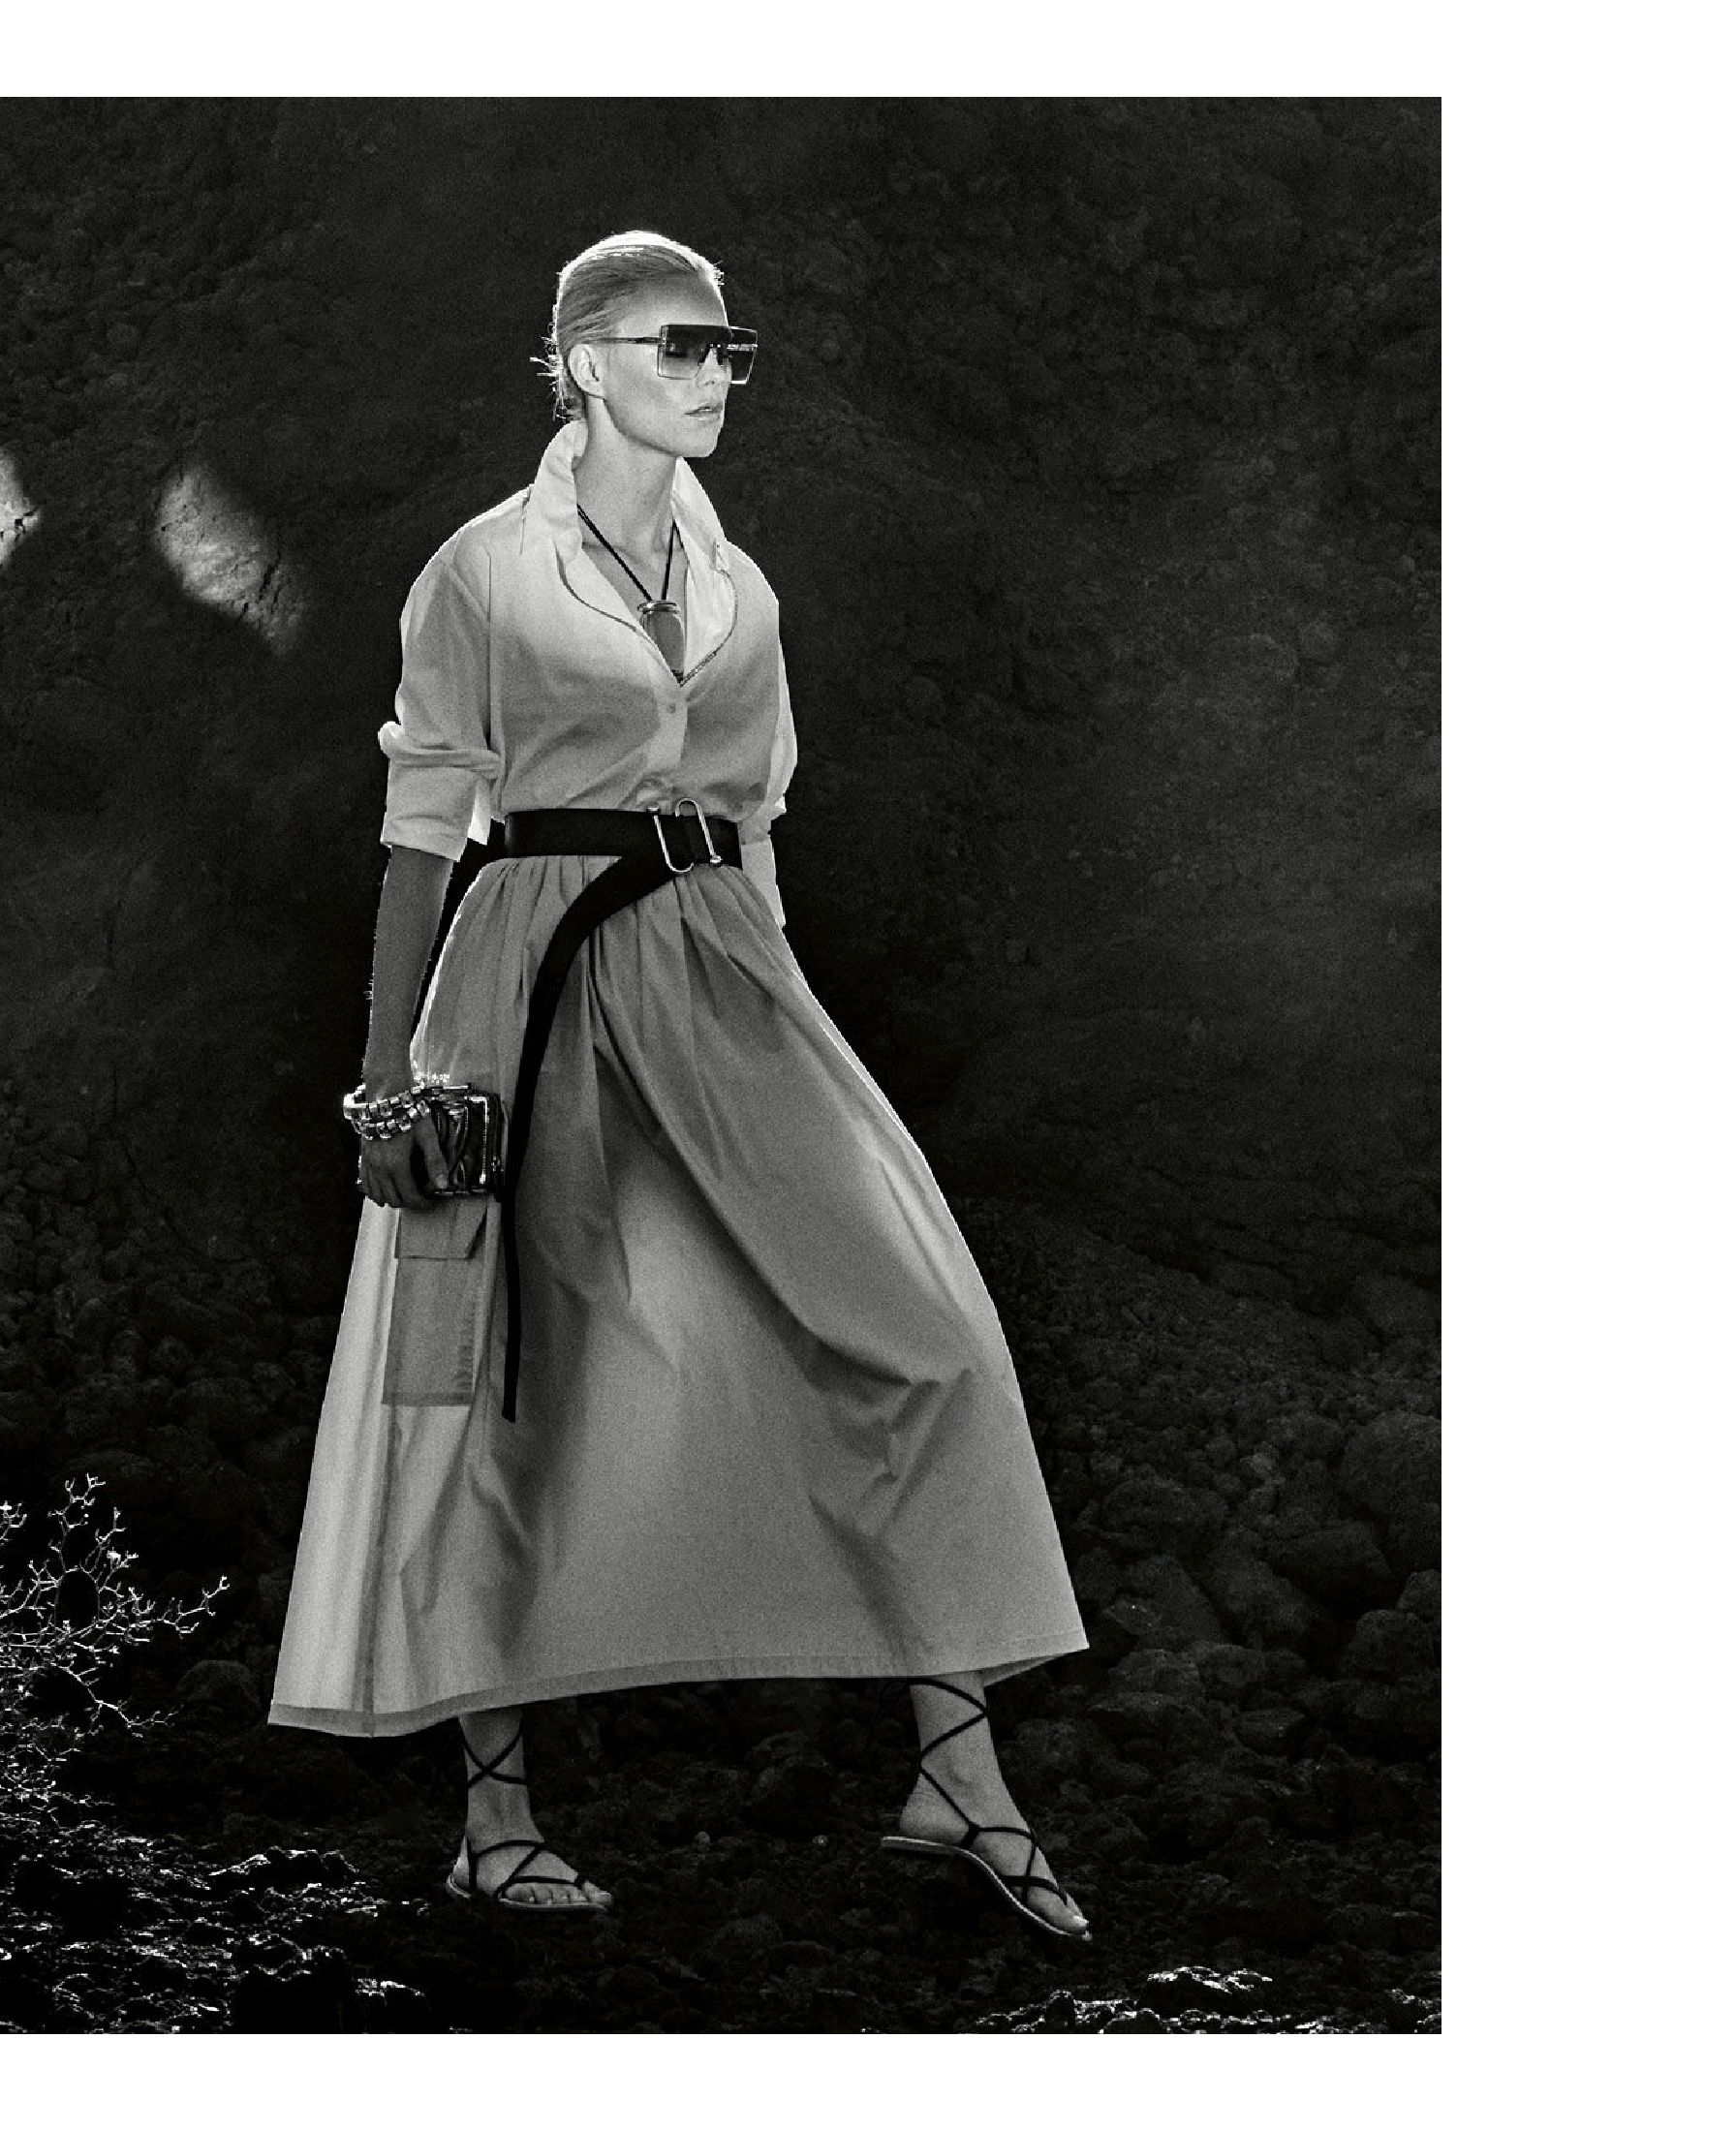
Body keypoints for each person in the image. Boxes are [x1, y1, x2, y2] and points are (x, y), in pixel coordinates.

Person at [268, 232, 1093, 1940]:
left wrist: (781, 1007)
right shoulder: (479, 574)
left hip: (721, 970)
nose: (716, 373)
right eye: (679, 344)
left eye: (730, 347)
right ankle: (495, 1824)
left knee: (920, 1336)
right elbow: (424, 831)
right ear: (583, 360)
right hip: (527, 973)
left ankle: (958, 1776)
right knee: (494, 1382)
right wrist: (384, 1080)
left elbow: (754, 818)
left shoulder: (743, 589)